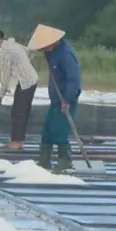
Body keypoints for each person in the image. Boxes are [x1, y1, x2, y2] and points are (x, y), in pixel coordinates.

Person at [28, 24, 81, 172]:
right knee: (48, 130)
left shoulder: (66, 55)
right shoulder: (51, 53)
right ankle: (44, 161)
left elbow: (73, 79)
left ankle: (65, 161)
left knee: (60, 131)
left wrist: (68, 99)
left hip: (66, 100)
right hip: (56, 100)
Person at [0, 29, 39, 149]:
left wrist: (0, 95)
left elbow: (5, 76)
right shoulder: (13, 44)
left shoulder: (6, 52)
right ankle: (19, 140)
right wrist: (22, 65)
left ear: (0, 41)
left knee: (18, 112)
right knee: (22, 111)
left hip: (26, 82)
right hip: (31, 79)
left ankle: (16, 141)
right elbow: (29, 52)